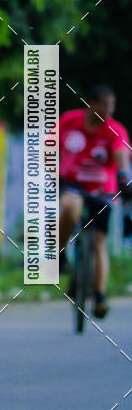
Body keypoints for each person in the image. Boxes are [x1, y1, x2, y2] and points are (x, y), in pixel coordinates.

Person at [59, 85, 131, 319]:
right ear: (91, 103)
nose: (109, 110)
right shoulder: (70, 121)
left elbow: (121, 156)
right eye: (105, 104)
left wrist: (123, 177)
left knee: (99, 242)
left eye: (112, 105)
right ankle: (60, 254)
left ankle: (99, 295)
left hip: (102, 190)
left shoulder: (115, 130)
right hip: (71, 183)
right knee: (69, 208)